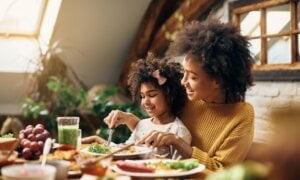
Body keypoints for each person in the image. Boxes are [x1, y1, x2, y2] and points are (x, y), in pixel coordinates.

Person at [104, 19, 254, 171]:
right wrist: (130, 120)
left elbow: (222, 173)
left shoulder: (241, 116)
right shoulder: (189, 96)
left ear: (217, 80)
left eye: (193, 77)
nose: (183, 82)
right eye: (184, 73)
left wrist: (179, 143)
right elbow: (161, 127)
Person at [82, 55, 192, 157]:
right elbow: (125, 151)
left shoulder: (178, 131)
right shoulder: (142, 124)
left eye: (152, 95)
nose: (145, 102)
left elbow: (180, 170)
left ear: (170, 95)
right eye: (142, 96)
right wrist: (97, 140)